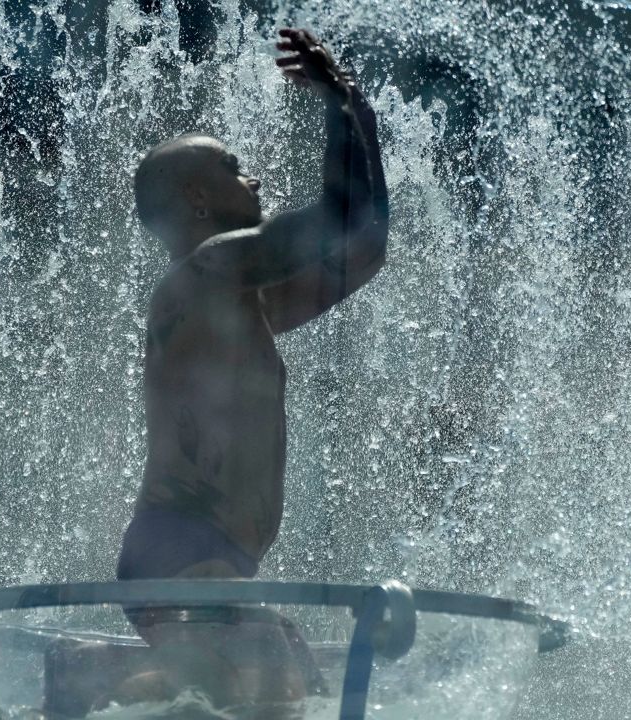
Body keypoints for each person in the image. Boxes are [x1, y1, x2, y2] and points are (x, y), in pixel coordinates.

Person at [111, 25, 389, 713]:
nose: (255, 177)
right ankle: (75, 686)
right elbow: (337, 220)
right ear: (199, 200)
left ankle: (77, 675)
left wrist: (358, 110)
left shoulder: (241, 303)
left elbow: (365, 244)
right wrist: (338, 101)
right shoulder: (201, 275)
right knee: (271, 694)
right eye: (234, 167)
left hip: (210, 557)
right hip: (183, 549)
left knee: (292, 687)